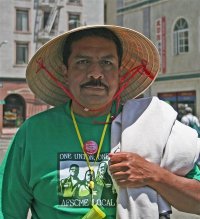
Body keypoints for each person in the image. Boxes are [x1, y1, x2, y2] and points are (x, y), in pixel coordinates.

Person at [1, 25, 200, 219]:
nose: (95, 73)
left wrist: (154, 175)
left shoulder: (152, 125)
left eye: (107, 63)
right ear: (65, 71)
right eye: (82, 62)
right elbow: (8, 211)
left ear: (120, 72)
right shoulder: (34, 133)